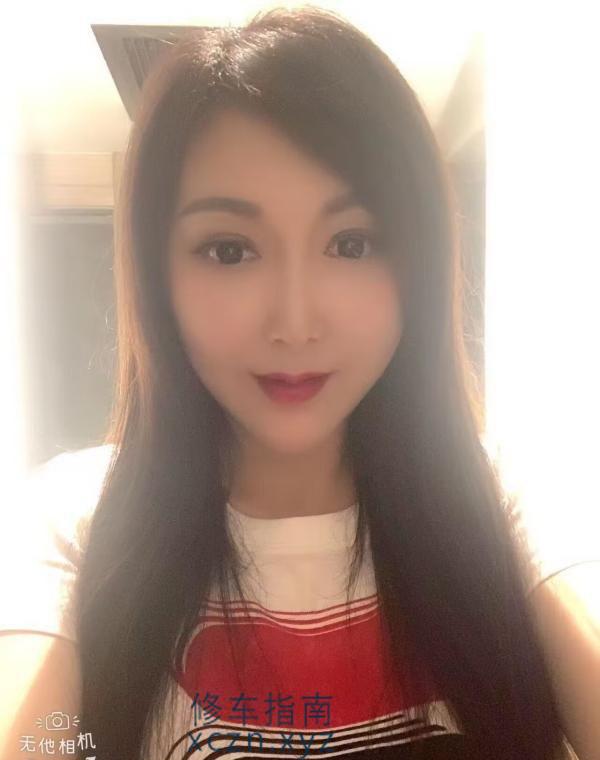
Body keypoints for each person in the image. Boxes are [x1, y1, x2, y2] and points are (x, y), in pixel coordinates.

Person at [1, 6, 598, 760]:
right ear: (158, 279)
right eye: (229, 250)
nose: (294, 322)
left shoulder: (510, 499)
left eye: (352, 243)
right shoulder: (69, 523)